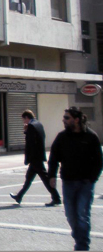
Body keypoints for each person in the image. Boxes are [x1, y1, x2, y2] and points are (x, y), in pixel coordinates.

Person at [47, 107, 103, 251]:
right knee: (70, 215)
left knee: (82, 214)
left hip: (85, 183)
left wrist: (93, 178)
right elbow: (53, 158)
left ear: (76, 120)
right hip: (68, 182)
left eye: (67, 118)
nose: (64, 120)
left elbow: (98, 161)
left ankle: (82, 245)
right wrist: (52, 175)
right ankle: (79, 237)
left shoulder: (91, 137)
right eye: (64, 117)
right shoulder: (62, 137)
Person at [10, 109, 61, 206]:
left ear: (26, 117)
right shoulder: (39, 124)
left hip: (35, 158)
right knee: (28, 178)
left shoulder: (31, 126)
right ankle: (19, 196)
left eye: (24, 119)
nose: (24, 122)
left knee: (45, 179)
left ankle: (56, 197)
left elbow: (31, 143)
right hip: (39, 156)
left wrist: (26, 132)